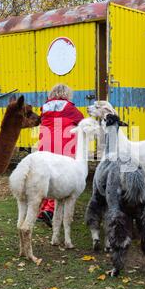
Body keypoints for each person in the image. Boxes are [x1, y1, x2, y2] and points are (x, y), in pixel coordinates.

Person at [37, 84, 84, 227]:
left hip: (45, 146)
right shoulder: (70, 109)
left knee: (45, 177)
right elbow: (82, 121)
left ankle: (41, 209)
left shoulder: (44, 108)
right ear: (66, 94)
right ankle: (50, 211)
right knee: (59, 178)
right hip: (63, 147)